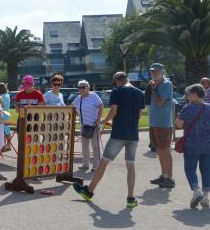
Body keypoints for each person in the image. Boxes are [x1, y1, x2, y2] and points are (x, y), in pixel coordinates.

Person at [73, 72, 145, 208]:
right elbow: (140, 113)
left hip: (118, 133)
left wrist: (103, 122)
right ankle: (130, 198)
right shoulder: (139, 93)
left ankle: (89, 191)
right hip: (133, 134)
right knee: (130, 165)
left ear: (117, 80)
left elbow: (113, 111)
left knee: (104, 162)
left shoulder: (117, 92)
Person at [175, 84, 210, 208]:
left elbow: (178, 124)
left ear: (195, 95)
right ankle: (206, 197)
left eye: (189, 94)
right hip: (208, 144)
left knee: (190, 168)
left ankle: (197, 190)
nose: (187, 96)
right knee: (206, 169)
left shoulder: (188, 108)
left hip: (192, 143)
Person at [147, 63, 175, 188]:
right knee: (159, 150)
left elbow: (160, 103)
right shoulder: (155, 84)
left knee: (165, 150)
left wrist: (154, 89)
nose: (153, 73)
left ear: (162, 72)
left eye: (156, 71)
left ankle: (170, 178)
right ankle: (164, 176)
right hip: (154, 123)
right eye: (152, 71)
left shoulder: (166, 84)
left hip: (163, 124)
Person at [72, 80, 104, 172]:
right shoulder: (78, 98)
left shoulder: (94, 96)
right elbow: (72, 108)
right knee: (84, 146)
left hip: (94, 125)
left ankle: (96, 165)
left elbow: (101, 106)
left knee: (95, 146)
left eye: (83, 87)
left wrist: (98, 120)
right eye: (80, 87)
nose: (81, 89)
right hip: (84, 126)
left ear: (88, 88)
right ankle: (85, 164)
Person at [0, 83, 12, 147]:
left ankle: (8, 146)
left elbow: (2, 107)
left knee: (6, 131)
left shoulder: (4, 96)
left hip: (4, 115)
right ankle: (5, 145)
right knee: (5, 131)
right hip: (5, 114)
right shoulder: (6, 95)